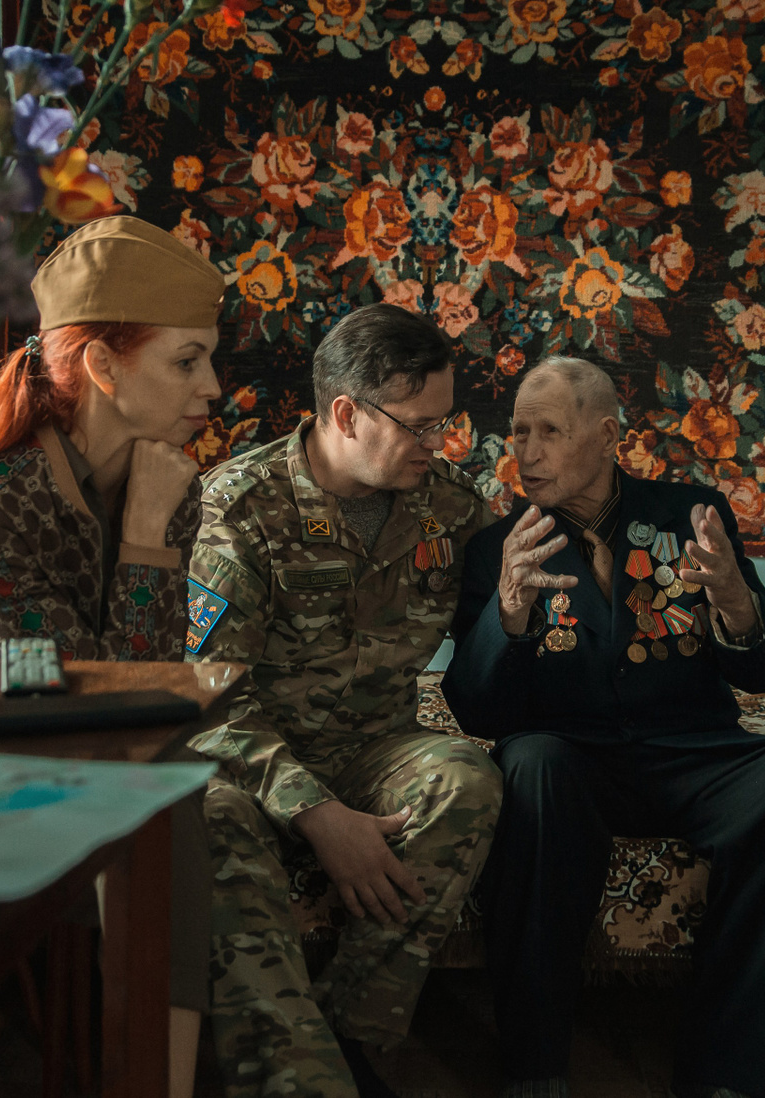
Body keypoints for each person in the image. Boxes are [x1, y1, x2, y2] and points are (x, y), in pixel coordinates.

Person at [443, 357, 765, 1098]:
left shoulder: (692, 515)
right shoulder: (498, 549)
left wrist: (736, 600)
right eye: (518, 433)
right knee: (529, 762)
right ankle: (535, 1067)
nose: (525, 452)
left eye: (548, 432)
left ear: (607, 437)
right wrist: (508, 613)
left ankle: (731, 1073)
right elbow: (475, 710)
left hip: (692, 755)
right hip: (571, 764)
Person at [184, 304, 502, 1098]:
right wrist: (318, 815)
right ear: (346, 414)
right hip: (251, 766)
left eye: (444, 424)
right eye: (419, 426)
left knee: (463, 778)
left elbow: (499, 651)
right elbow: (211, 697)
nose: (438, 444)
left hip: (373, 749)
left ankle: (349, 1040)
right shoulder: (239, 506)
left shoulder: (453, 510)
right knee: (206, 818)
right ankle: (297, 1080)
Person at [0, 213, 224, 1098]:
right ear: (106, 367)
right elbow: (97, 704)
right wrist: (146, 538)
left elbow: (147, 706)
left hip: (117, 769)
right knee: (165, 786)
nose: (212, 386)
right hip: (3, 772)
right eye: (186, 361)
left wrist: (152, 522)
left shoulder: (168, 477)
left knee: (172, 783)